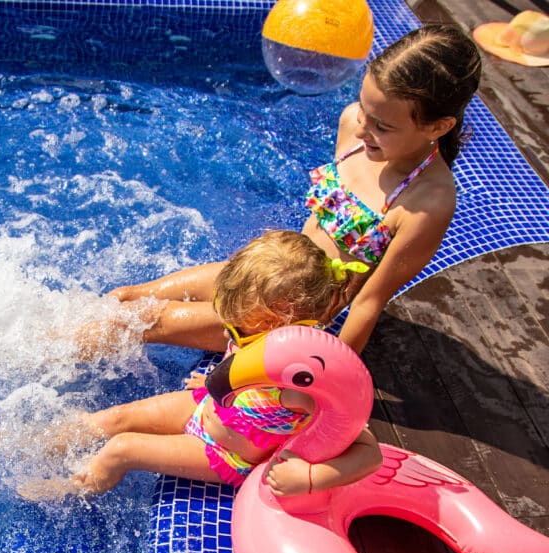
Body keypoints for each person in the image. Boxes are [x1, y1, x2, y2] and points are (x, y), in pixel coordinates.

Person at [98, 24, 482, 356]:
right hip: (270, 272)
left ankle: (46, 362)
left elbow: (368, 302)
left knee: (145, 322)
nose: (364, 128)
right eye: (365, 109)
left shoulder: (427, 201)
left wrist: (325, 381)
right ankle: (49, 338)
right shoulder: (353, 125)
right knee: (128, 297)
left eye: (382, 126)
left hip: (291, 310)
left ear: (438, 126)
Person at [20, 231, 383, 500]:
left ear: (278, 321)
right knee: (117, 418)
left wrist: (309, 478)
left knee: (123, 448)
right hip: (209, 407)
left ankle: (70, 491)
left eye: (239, 321)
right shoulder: (257, 332)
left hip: (224, 453)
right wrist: (220, 382)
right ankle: (35, 446)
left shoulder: (303, 380)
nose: (229, 325)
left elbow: (369, 452)